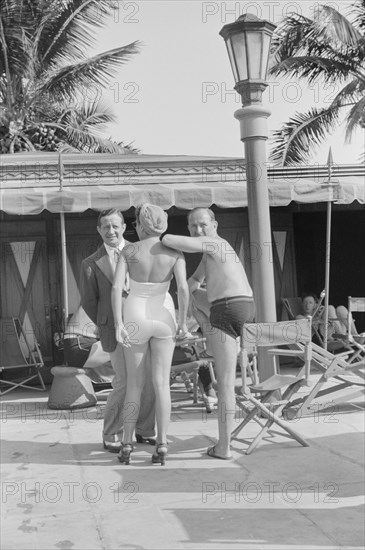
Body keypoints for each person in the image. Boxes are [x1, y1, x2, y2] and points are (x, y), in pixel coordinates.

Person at [161, 207, 255, 460]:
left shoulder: (214, 243)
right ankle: (200, 332)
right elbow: (191, 284)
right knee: (190, 293)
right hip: (239, 307)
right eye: (193, 226)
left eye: (202, 224)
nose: (198, 230)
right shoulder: (211, 253)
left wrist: (155, 233)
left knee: (225, 385)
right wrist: (170, 297)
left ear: (215, 224)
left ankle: (223, 447)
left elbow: (169, 240)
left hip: (226, 309)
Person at [112, 203, 189, 466]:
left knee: (134, 384)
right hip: (164, 315)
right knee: (161, 384)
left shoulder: (129, 250)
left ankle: (126, 443)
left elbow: (115, 288)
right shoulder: (175, 252)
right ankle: (163, 443)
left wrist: (118, 322)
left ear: (142, 225)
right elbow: (184, 289)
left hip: (134, 314)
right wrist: (182, 323)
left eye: (135, 223)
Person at [80, 208, 156, 453]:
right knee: (123, 382)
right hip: (114, 330)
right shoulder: (90, 263)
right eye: (105, 227)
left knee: (148, 381)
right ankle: (111, 433)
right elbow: (90, 302)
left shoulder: (142, 251)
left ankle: (145, 430)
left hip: (145, 325)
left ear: (124, 227)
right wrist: (108, 324)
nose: (111, 231)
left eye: (115, 226)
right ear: (99, 230)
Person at [63, 305, 114, 387]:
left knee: (124, 345)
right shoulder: (105, 302)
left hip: (79, 345)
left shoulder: (95, 300)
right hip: (80, 346)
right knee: (123, 345)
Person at [296, 292, 361, 343]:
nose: (307, 305)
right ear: (302, 304)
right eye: (305, 302)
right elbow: (308, 322)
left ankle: (355, 335)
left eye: (310, 303)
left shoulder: (319, 312)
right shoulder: (299, 316)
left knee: (341, 308)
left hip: (337, 332)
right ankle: (343, 337)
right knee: (329, 307)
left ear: (315, 305)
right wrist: (319, 319)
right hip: (327, 336)